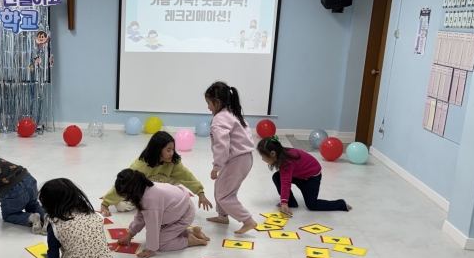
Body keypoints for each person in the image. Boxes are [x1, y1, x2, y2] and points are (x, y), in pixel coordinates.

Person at [100, 131, 212, 216]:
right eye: (168, 150)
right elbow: (125, 183)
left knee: (178, 177)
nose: (172, 153)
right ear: (157, 150)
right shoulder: (140, 165)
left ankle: (157, 200)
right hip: (143, 190)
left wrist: (200, 193)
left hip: (161, 186)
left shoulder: (173, 162)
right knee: (121, 206)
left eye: (173, 149)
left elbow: (187, 177)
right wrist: (105, 203)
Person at [114, 169, 209, 258]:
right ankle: (192, 232)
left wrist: (151, 249)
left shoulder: (150, 200)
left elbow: (152, 226)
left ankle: (189, 241)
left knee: (160, 243)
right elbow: (141, 215)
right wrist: (130, 233)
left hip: (184, 216)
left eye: (127, 197)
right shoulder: (145, 188)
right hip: (180, 208)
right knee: (161, 233)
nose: (127, 200)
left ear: (133, 191)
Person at [205, 81, 258, 235]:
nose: (208, 107)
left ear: (217, 102)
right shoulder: (233, 113)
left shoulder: (220, 119)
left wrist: (216, 167)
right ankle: (222, 216)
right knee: (223, 188)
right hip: (245, 158)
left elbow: (222, 145)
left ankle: (248, 220)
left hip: (236, 160)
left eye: (209, 103)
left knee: (224, 195)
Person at [257, 136, 352, 215]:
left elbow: (286, 182)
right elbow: (285, 178)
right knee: (277, 176)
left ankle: (341, 204)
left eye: (263, 156)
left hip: (312, 178)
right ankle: (291, 202)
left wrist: (283, 202)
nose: (262, 159)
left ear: (273, 153)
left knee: (312, 205)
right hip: (300, 175)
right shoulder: (282, 154)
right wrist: (285, 201)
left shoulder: (286, 162)